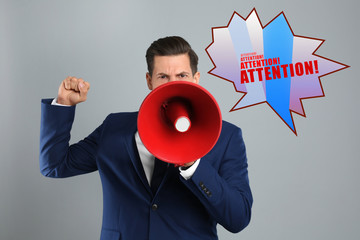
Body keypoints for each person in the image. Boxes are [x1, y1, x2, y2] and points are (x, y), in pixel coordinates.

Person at [39, 36, 253, 240]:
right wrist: (63, 105)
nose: (173, 84)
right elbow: (55, 165)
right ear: (149, 81)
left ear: (196, 79)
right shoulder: (114, 128)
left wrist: (194, 166)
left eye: (182, 76)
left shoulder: (226, 137)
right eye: (163, 77)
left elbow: (238, 218)